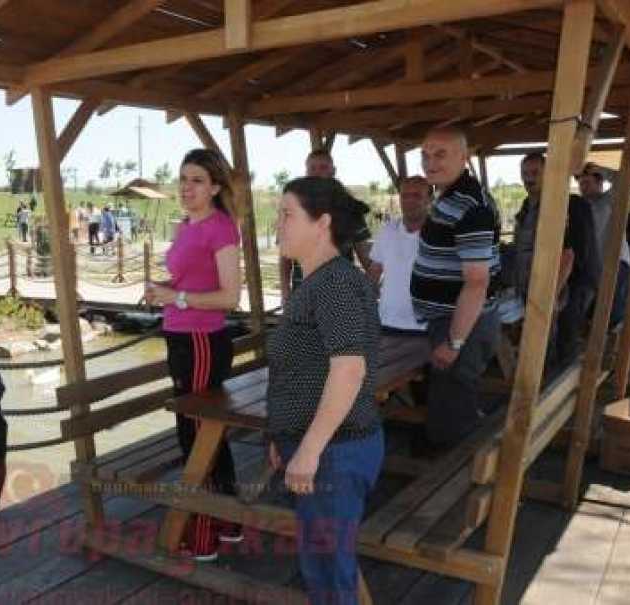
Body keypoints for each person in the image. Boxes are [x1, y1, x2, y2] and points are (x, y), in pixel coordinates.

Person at [268, 176, 383, 604]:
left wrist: (310, 449)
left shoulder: (334, 282)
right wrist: (284, 437)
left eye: (287, 215)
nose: (277, 224)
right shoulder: (320, 280)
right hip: (325, 451)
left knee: (331, 575)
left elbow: (349, 370)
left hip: (334, 455)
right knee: (325, 569)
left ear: (323, 224)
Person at [144, 148, 242, 562]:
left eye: (197, 180)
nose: (187, 187)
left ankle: (203, 536)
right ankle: (230, 521)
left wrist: (175, 297)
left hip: (202, 340)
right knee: (206, 431)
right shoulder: (188, 224)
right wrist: (165, 289)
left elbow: (230, 297)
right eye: (183, 178)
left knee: (197, 434)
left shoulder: (220, 227)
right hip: (181, 337)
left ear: (216, 187)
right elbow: (190, 280)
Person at [410, 127, 501, 450]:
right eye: (425, 154)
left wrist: (454, 341)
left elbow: (477, 282)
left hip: (462, 325)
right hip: (453, 320)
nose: (430, 162)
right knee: (451, 403)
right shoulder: (450, 195)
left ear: (465, 158)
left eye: (440, 154)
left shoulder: (470, 206)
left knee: (454, 417)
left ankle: (458, 487)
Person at [515, 153, 599, 370]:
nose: (529, 178)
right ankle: (546, 389)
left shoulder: (570, 204)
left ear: (549, 174)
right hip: (544, 285)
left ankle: (563, 394)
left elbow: (569, 255)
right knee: (545, 341)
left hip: (572, 282)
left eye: (535, 173)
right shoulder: (528, 206)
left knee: (564, 339)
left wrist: (551, 298)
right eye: (525, 173)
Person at [279, 148, 372, 301]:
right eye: (312, 168)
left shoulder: (351, 208)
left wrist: (370, 290)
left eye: (323, 168)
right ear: (306, 172)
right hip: (303, 294)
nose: (317, 173)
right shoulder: (292, 211)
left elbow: (366, 258)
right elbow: (285, 256)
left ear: (333, 171)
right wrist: (285, 291)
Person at [366, 176, 431, 333]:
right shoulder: (387, 230)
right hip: (387, 324)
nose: (409, 200)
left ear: (430, 199)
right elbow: (374, 272)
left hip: (428, 328)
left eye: (416, 195)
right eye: (405, 195)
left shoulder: (443, 234)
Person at [577, 162, 630, 327]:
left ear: (600, 183)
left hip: (616, 263)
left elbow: (624, 180)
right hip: (594, 267)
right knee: (591, 313)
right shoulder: (581, 207)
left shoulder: (610, 200)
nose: (583, 188)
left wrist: (600, 169)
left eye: (587, 183)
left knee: (611, 312)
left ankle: (612, 342)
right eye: (580, 184)